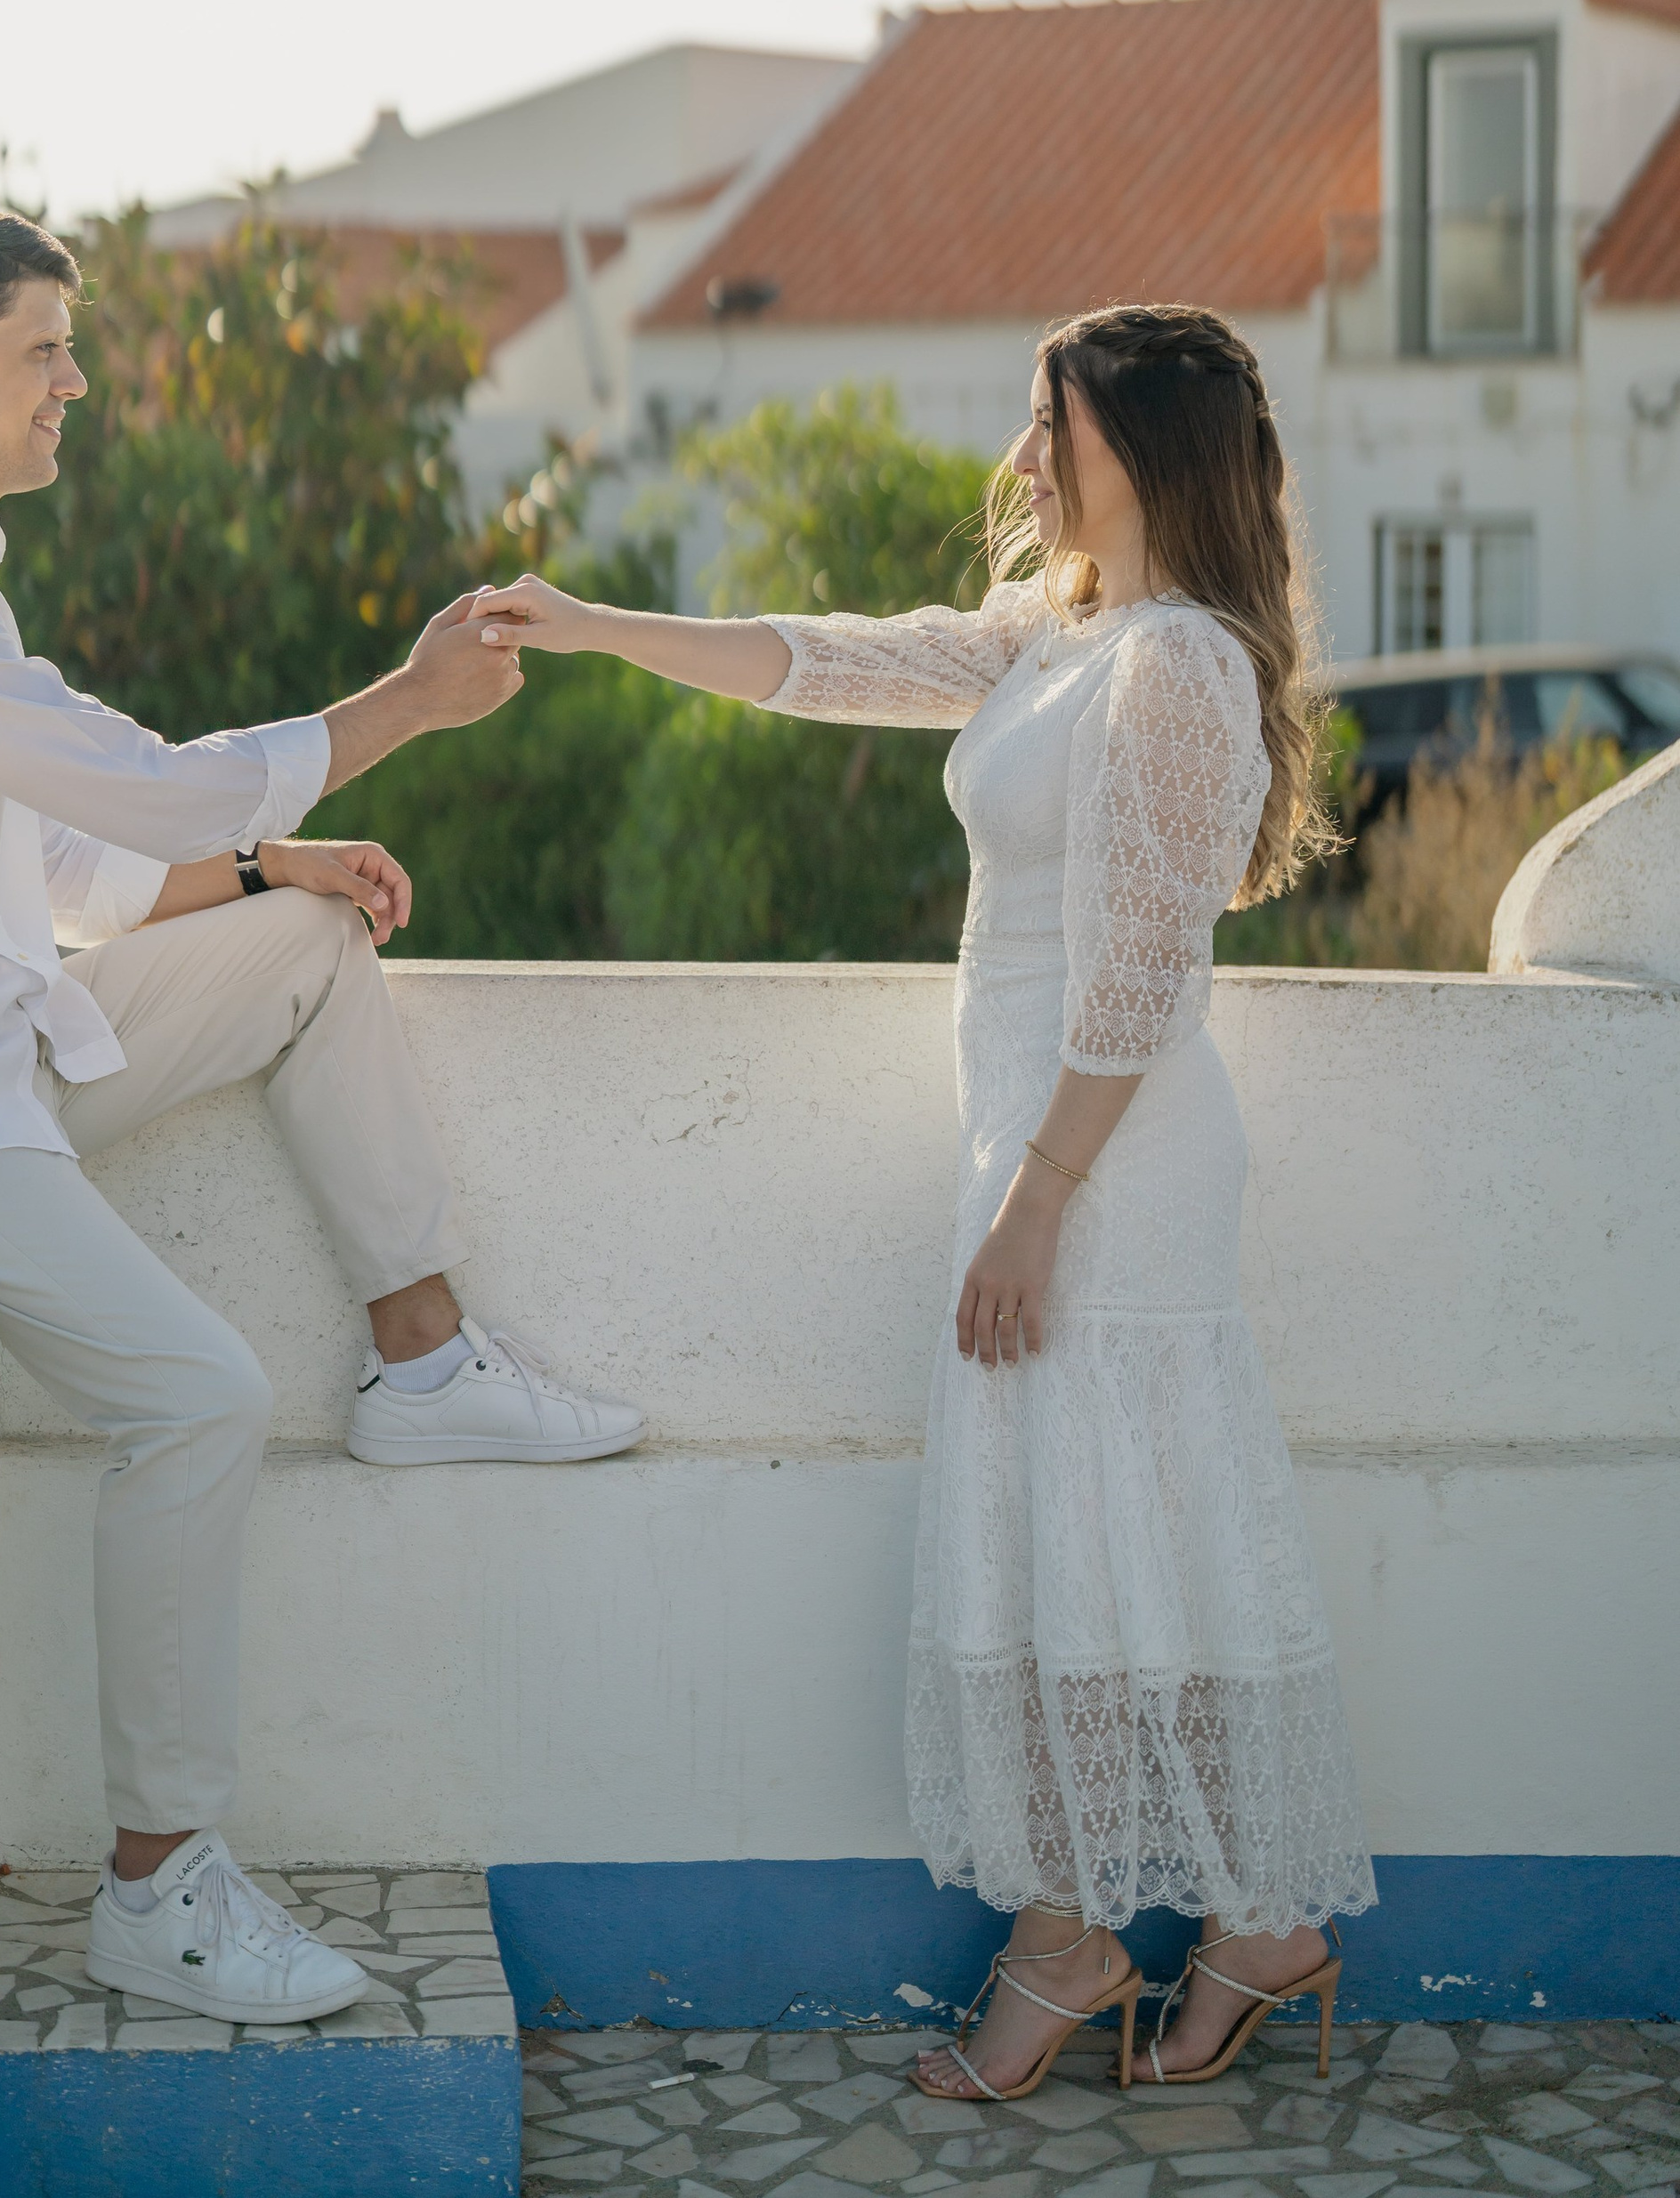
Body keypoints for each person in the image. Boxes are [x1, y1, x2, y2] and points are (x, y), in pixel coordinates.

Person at [0, 202, 640, 2028]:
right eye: (43, 348)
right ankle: (157, 1888)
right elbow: (136, 786)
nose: (74, 379)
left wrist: (267, 864)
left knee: (306, 937)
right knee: (202, 1394)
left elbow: (76, 861)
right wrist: (407, 704)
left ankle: (423, 1365)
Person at [471, 302, 1375, 2097]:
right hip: (1038, 1149)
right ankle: (1232, 1924)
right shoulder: (1064, 632)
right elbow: (828, 658)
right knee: (1086, 1541)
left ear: (1144, 449)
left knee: (1111, 1542)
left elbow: (1145, 980)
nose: (1024, 457)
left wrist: (1036, 1200)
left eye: (1055, 424)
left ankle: (1093, 1934)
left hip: (1102, 1165)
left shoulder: (1178, 664)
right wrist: (590, 624)